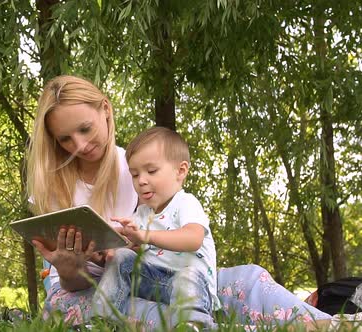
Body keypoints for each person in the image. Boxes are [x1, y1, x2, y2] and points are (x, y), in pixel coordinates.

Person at [26, 75, 332, 328]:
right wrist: (70, 269)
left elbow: (174, 244)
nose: (79, 145)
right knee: (120, 309)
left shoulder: (139, 168)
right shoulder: (53, 185)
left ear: (105, 110)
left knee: (244, 280)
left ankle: (333, 323)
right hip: (85, 295)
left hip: (155, 279)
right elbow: (72, 282)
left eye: (85, 129)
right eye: (66, 139)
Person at [92, 127, 219, 329]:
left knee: (188, 276)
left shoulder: (185, 202)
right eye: (134, 174)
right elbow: (128, 245)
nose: (141, 180)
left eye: (151, 171)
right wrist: (104, 240)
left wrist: (145, 236)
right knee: (122, 257)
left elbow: (193, 239)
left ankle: (193, 324)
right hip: (153, 281)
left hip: (191, 286)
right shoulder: (142, 214)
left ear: (181, 171)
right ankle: (102, 321)